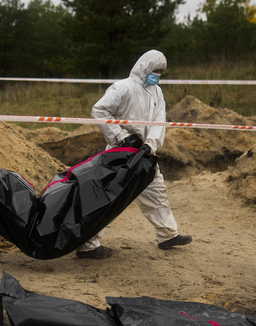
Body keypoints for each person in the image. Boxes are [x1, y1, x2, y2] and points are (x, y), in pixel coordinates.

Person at [76, 49, 192, 259]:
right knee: (110, 198)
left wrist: (150, 145)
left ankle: (167, 235)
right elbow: (99, 111)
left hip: (145, 154)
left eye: (160, 72)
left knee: (156, 191)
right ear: (144, 67)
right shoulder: (123, 88)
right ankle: (88, 245)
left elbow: (159, 121)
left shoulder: (157, 92)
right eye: (155, 70)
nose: (157, 75)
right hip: (121, 154)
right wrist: (120, 136)